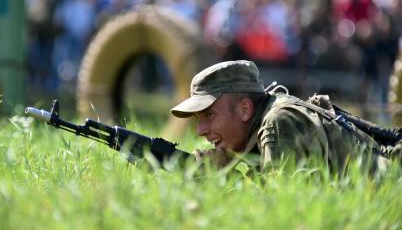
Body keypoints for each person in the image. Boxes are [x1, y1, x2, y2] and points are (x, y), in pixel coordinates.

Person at [170, 60, 400, 174]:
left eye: (209, 114)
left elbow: (280, 208)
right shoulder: (267, 118)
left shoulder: (278, 122)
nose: (200, 130)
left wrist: (220, 178)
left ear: (245, 110)